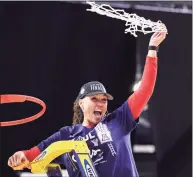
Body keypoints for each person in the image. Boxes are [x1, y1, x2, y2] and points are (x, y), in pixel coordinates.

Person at [8, 28, 167, 177]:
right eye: (94, 99)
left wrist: (152, 50)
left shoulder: (119, 120)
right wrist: (19, 157)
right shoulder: (67, 135)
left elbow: (144, 91)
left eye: (104, 100)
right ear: (81, 104)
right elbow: (30, 156)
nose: (100, 103)